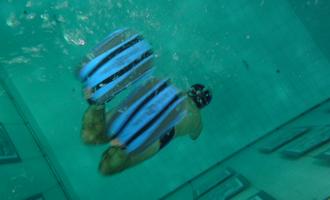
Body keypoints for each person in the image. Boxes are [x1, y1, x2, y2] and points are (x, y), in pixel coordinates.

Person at [81, 78, 212, 175]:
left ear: (189, 89)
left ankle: (97, 107)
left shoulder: (170, 87)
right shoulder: (196, 120)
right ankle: (120, 152)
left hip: (140, 110)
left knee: (92, 135)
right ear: (202, 106)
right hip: (161, 133)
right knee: (109, 167)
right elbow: (195, 135)